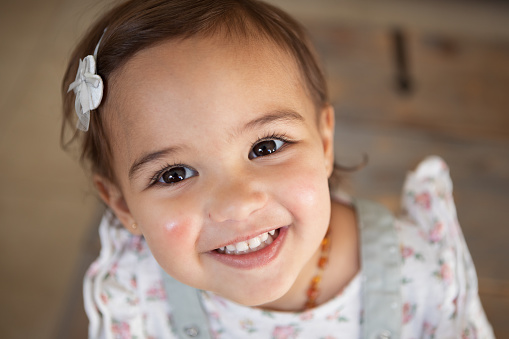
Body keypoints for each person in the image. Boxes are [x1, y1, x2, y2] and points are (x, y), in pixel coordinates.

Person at [61, 0, 494, 338]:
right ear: (121, 204)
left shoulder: (419, 273)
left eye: (266, 146)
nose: (237, 204)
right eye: (174, 174)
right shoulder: (137, 292)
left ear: (324, 142)